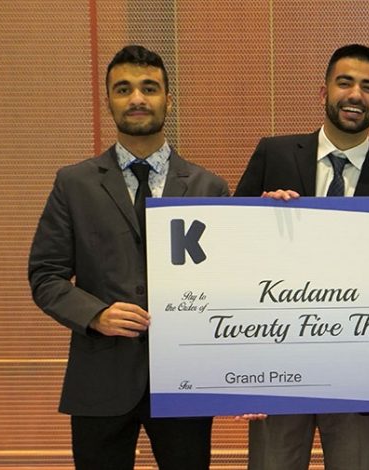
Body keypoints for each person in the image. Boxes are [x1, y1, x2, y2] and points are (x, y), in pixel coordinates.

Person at [28, 45, 229, 469]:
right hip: (100, 378)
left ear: (168, 100)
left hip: (184, 381)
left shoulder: (209, 187)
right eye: (123, 89)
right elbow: (45, 275)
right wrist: (95, 315)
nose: (137, 98)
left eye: (149, 88)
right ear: (109, 101)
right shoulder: (74, 184)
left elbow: (228, 284)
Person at [233, 43, 369, 470]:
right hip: (276, 365)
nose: (355, 94)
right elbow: (231, 253)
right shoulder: (273, 155)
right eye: (345, 82)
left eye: (368, 87)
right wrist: (256, 218)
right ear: (324, 91)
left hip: (362, 374)